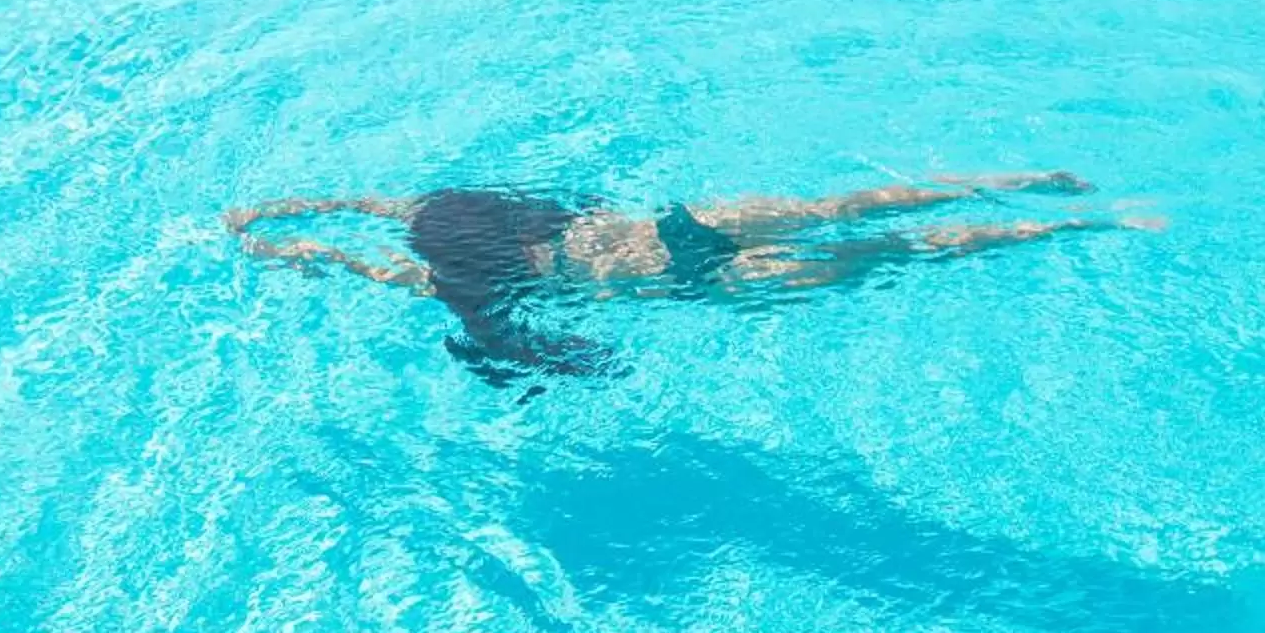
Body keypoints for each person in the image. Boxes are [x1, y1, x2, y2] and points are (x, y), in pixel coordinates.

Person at [224, 176, 1157, 382]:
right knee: (848, 209)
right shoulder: (474, 215)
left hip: (691, 282)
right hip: (683, 227)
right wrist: (280, 208)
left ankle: (1067, 226)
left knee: (893, 253)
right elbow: (376, 208)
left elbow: (348, 256)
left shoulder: (451, 276)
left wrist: (266, 244)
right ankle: (1035, 188)